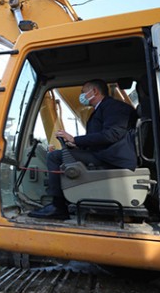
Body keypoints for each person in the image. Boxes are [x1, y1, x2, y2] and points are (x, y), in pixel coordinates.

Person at [28, 79, 139, 219]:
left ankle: (58, 206)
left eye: (83, 92)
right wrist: (76, 144)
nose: (81, 96)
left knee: (54, 157)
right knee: (63, 153)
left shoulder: (115, 107)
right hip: (103, 153)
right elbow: (99, 137)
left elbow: (112, 135)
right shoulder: (103, 108)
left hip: (111, 157)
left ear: (94, 92)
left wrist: (75, 139)